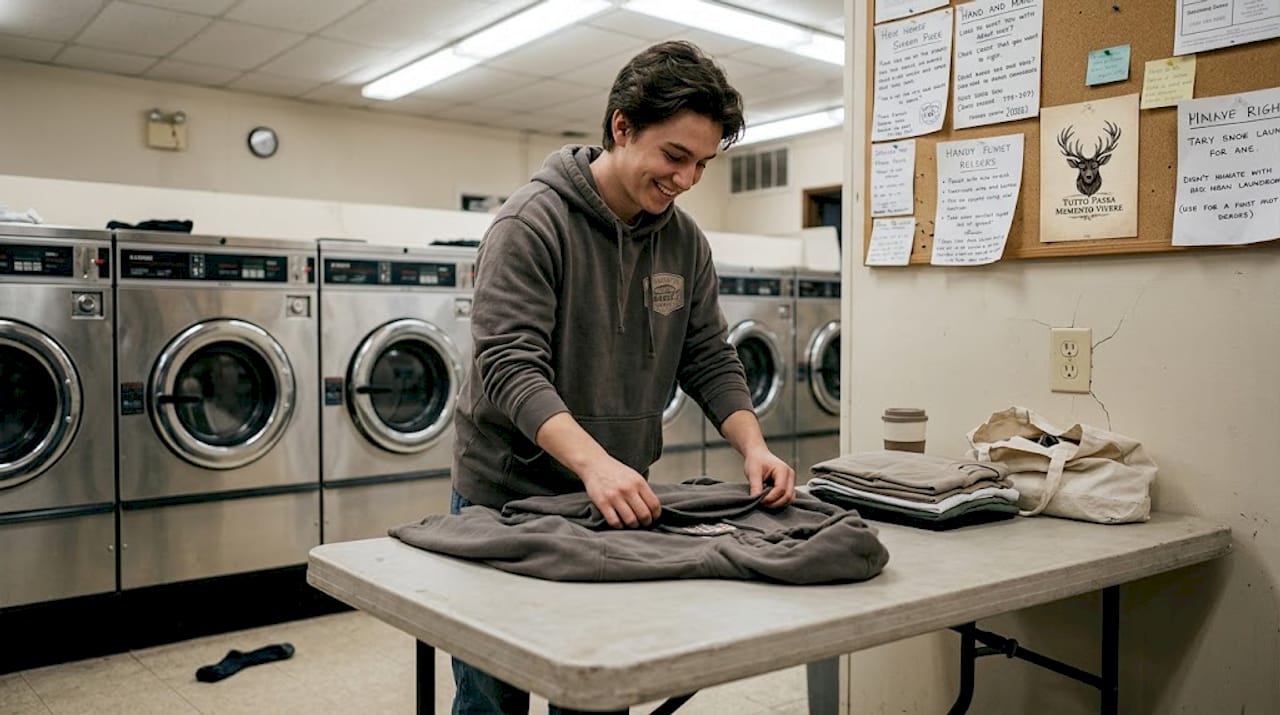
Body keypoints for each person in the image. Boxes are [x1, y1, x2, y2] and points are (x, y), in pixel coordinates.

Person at [449, 40, 796, 715]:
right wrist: (594, 463)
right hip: (507, 497)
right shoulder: (530, 223)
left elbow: (708, 354)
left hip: (613, 501)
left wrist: (754, 446)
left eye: (702, 163)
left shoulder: (684, 242)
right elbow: (510, 366)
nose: (687, 179)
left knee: (600, 687)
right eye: (674, 156)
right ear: (620, 127)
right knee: (492, 697)